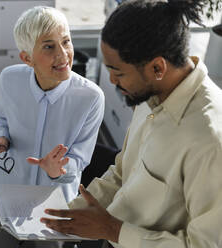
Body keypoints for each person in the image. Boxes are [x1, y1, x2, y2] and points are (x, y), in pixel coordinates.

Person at [40, 0, 222, 247]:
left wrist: (113, 230)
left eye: (119, 72)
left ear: (157, 67)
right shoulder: (150, 96)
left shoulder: (209, 141)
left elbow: (205, 244)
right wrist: (67, 215)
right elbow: (123, 171)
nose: (112, 80)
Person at [0, 6, 105, 248]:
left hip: (54, 202)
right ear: (27, 58)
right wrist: (1, 139)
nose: (63, 54)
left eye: (66, 41)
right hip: (6, 191)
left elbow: (80, 159)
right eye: (49, 46)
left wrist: (57, 170)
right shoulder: (9, 78)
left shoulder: (91, 97)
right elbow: (3, 118)